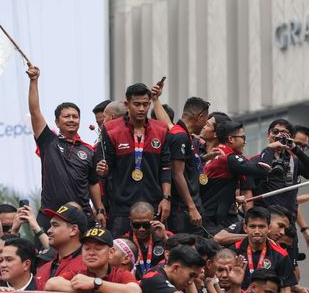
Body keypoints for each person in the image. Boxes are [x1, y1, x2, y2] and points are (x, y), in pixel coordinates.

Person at [26, 64, 106, 230]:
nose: (71, 120)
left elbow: (93, 183)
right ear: (57, 122)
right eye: (66, 116)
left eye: (75, 117)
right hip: (50, 215)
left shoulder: (89, 150)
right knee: (44, 256)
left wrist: (99, 209)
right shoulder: (48, 141)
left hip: (81, 217)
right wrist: (34, 81)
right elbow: (35, 111)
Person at [99, 82, 172, 236]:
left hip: (153, 203)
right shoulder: (111, 129)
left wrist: (166, 198)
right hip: (122, 206)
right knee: (119, 251)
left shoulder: (161, 129)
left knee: (157, 248)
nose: (141, 109)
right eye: (137, 104)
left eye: (145, 105)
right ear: (127, 104)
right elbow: (108, 169)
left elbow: (166, 167)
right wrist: (104, 171)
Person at [201, 120, 271, 233]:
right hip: (210, 220)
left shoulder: (217, 154)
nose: (245, 142)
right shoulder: (229, 158)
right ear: (231, 139)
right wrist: (270, 149)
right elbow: (264, 170)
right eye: (243, 137)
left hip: (210, 215)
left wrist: (233, 198)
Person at [245, 119, 309, 219]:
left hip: (287, 221)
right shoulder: (255, 160)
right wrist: (270, 148)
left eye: (284, 134)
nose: (279, 136)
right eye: (275, 132)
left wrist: (294, 148)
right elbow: (248, 193)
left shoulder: (293, 161)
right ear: (268, 134)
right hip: (264, 221)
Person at [232, 207, 297, 293]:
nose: (257, 231)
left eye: (261, 226)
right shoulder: (233, 250)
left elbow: (286, 287)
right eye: (252, 226)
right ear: (245, 228)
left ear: (269, 228)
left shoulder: (281, 255)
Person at [46, 227, 141, 293]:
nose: (91, 253)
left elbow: (135, 292)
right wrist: (89, 288)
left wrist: (95, 283)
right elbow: (51, 284)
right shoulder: (77, 274)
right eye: (87, 248)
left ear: (111, 252)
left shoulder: (121, 275)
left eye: (98, 249)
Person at [167, 97, 210, 234]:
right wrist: (191, 207)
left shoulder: (184, 134)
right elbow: (177, 174)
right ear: (200, 117)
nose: (205, 125)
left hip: (188, 207)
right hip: (183, 210)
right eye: (206, 120)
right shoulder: (179, 136)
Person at [35, 204, 88, 289]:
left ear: (73, 230)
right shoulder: (43, 268)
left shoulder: (89, 267)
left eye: (55, 225)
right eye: (50, 225)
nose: (49, 230)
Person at [125, 201, 170, 280]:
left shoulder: (167, 236)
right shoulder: (124, 242)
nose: (141, 229)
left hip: (161, 285)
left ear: (154, 220)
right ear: (130, 221)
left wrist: (164, 238)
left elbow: (181, 258)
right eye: (136, 225)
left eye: (146, 225)